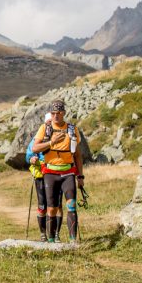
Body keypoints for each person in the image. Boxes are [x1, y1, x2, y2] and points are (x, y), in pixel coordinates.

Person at [32, 99, 84, 243]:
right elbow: (34, 148)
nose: (56, 116)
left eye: (59, 113)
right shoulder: (45, 128)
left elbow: (78, 155)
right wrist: (51, 142)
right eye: (53, 113)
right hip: (50, 173)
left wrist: (80, 176)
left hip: (68, 173)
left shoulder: (72, 129)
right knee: (52, 209)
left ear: (64, 113)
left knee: (71, 206)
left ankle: (73, 242)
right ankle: (50, 242)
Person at [26, 113, 62, 242]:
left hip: (57, 172)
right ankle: (43, 234)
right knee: (42, 205)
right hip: (41, 174)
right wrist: (32, 158)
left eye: (51, 122)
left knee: (57, 205)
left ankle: (56, 234)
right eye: (47, 122)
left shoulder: (61, 136)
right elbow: (28, 154)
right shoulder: (37, 137)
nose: (49, 124)